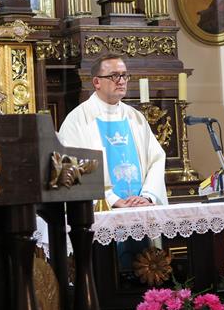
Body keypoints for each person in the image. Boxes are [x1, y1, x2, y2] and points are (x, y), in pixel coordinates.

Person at [58, 54, 167, 208]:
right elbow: (70, 165)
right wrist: (112, 200)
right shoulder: (78, 120)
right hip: (100, 213)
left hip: (141, 208)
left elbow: (156, 159)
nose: (121, 81)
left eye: (124, 75)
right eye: (114, 76)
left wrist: (147, 196)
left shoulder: (135, 118)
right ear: (97, 82)